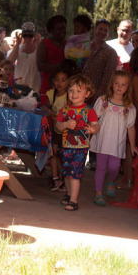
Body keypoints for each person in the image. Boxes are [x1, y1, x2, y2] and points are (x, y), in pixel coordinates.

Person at [90, 70, 138, 206]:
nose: (119, 87)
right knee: (100, 167)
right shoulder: (103, 101)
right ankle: (98, 193)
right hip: (102, 141)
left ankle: (111, 181)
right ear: (112, 84)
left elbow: (131, 127)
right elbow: (93, 117)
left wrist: (133, 145)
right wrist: (91, 128)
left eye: (123, 85)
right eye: (117, 83)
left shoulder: (129, 107)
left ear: (128, 87)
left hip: (117, 144)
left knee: (114, 166)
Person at [55, 74, 99, 211]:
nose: (74, 94)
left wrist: (93, 129)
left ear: (87, 94)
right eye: (71, 90)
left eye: (79, 91)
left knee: (75, 173)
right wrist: (65, 124)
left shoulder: (89, 110)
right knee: (67, 172)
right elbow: (58, 125)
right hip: (66, 146)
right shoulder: (65, 109)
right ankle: (68, 194)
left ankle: (74, 201)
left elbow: (96, 125)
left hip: (81, 148)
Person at [42, 62, 77, 192]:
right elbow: (45, 105)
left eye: (63, 80)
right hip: (54, 130)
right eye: (57, 80)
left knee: (64, 155)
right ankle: (56, 179)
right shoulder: (51, 94)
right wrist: (48, 110)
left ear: (69, 82)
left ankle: (63, 178)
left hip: (67, 131)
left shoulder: (70, 95)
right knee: (53, 153)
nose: (59, 83)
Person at [84, 19, 118, 104]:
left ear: (108, 33)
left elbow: (108, 79)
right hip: (78, 94)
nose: (102, 32)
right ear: (95, 29)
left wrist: (96, 98)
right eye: (100, 29)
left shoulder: (111, 53)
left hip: (95, 99)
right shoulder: (84, 47)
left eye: (105, 30)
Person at [36, 15, 67, 106]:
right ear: (51, 30)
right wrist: (62, 66)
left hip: (64, 87)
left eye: (64, 28)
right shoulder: (44, 44)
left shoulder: (69, 44)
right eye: (59, 29)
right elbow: (40, 65)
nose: (62, 31)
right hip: (48, 85)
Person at [6, 21, 41, 93]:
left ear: (34, 35)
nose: (27, 38)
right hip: (18, 86)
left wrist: (37, 44)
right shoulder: (18, 48)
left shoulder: (39, 49)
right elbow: (9, 62)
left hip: (33, 86)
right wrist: (18, 43)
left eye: (30, 35)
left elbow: (41, 64)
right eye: (25, 35)